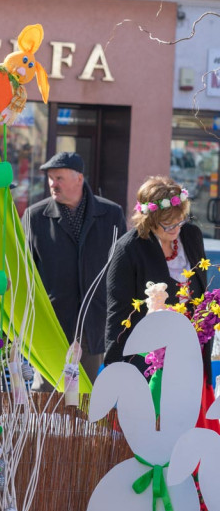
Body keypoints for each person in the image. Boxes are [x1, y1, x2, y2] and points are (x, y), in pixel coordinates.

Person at [23, 151, 126, 387]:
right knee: (46, 395)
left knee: (84, 399)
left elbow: (121, 271)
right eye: (50, 178)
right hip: (51, 325)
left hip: (93, 326)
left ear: (78, 178)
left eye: (59, 178)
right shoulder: (35, 217)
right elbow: (25, 271)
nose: (52, 184)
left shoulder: (111, 215)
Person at [105, 177, 208, 376]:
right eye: (168, 224)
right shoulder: (128, 249)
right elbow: (117, 313)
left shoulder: (191, 235)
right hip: (148, 360)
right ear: (149, 219)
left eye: (181, 220)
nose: (176, 229)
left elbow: (201, 293)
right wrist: (116, 369)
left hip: (191, 353)